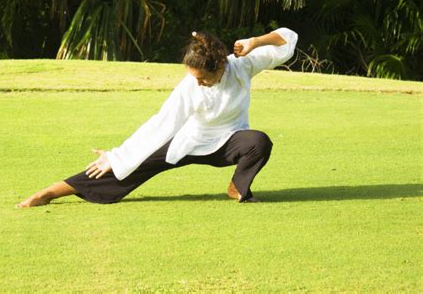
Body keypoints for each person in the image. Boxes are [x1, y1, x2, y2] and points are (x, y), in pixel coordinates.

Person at [17, 27, 298, 208]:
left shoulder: (242, 66)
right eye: (194, 78)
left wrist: (255, 41)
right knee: (128, 167)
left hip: (229, 142)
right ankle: (50, 193)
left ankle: (237, 188)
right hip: (189, 142)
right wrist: (116, 156)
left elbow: (287, 38)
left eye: (203, 78)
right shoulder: (189, 88)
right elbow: (160, 125)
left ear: (220, 65)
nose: (197, 83)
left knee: (259, 142)